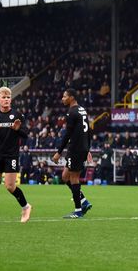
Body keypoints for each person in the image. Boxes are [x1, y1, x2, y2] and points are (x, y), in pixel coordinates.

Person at [0, 87, 32, 223]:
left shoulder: (17, 115)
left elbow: (26, 134)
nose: (6, 100)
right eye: (3, 97)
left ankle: (26, 207)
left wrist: (18, 129)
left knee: (10, 186)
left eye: (8, 97)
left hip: (11, 155)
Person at [52, 88, 93, 219]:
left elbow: (67, 134)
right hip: (80, 148)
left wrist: (59, 152)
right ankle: (83, 201)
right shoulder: (82, 110)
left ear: (72, 98)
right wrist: (88, 148)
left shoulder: (72, 112)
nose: (62, 99)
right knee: (65, 176)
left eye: (65, 96)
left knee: (74, 178)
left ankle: (78, 211)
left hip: (76, 148)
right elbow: (89, 131)